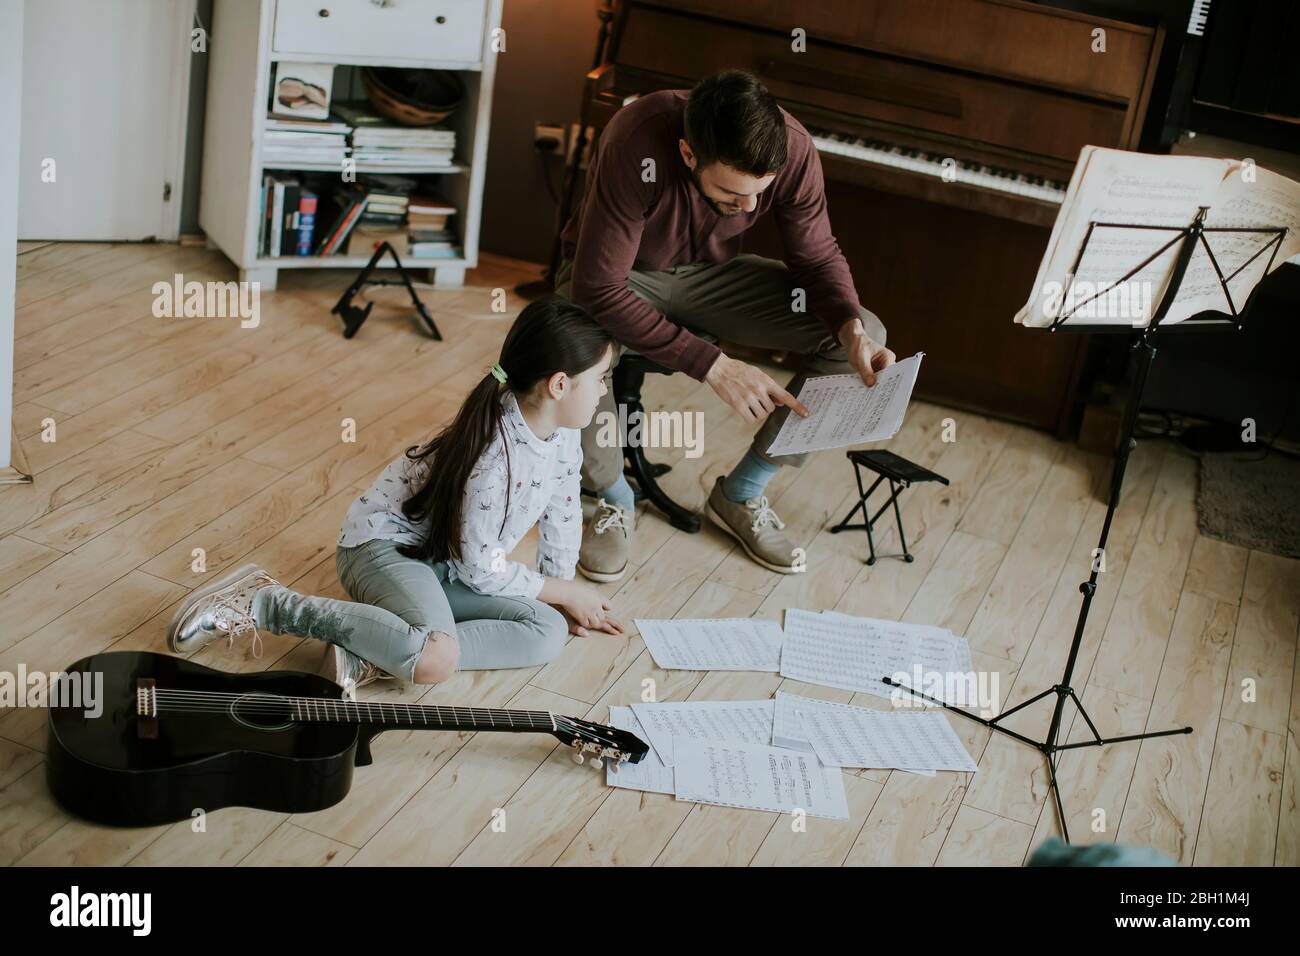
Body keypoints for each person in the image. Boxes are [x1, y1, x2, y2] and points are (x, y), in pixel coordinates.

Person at [166, 298, 624, 691]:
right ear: (559, 385)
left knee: (547, 631)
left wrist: (564, 596)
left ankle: (372, 653)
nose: (605, 389)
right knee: (436, 660)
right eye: (601, 378)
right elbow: (484, 571)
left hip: (450, 563)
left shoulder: (562, 435)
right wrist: (562, 589)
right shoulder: (493, 457)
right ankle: (263, 602)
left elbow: (562, 511)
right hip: (384, 550)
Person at [556, 69, 895, 582]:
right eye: (733, 194)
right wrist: (713, 365)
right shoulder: (635, 137)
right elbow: (600, 287)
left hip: (709, 276)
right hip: (621, 275)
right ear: (689, 154)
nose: (751, 207)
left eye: (761, 193)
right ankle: (611, 497)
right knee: (569, 339)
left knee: (862, 329)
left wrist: (852, 331)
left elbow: (818, 257)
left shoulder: (794, 149)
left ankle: (742, 492)